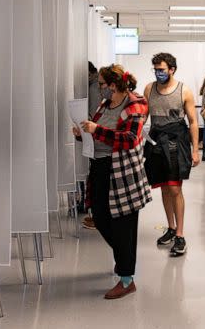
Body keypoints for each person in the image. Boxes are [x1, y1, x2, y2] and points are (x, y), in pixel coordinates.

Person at [73, 64, 151, 299]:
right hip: (100, 167)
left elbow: (129, 138)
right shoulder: (105, 105)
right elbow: (99, 135)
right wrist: (83, 135)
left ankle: (127, 279)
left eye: (102, 85)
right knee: (99, 216)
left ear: (114, 85)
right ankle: (123, 259)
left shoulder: (135, 105)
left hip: (121, 172)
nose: (100, 89)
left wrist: (96, 130)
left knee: (124, 225)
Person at [144, 52, 200, 257]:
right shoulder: (149, 89)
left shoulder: (184, 91)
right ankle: (170, 227)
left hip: (176, 143)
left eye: (162, 70)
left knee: (175, 189)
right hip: (156, 142)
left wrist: (195, 150)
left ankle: (181, 235)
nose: (158, 73)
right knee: (164, 189)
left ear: (172, 70)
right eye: (156, 70)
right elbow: (143, 117)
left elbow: (193, 122)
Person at [81, 61, 104, 230]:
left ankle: (98, 216)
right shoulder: (95, 85)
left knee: (98, 179)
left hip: (98, 137)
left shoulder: (94, 87)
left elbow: (95, 112)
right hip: (97, 135)